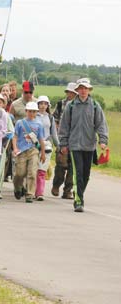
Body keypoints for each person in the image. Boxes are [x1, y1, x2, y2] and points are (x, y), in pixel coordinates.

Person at [59, 78, 109, 212]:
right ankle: (79, 201)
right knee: (78, 173)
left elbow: (101, 124)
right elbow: (64, 127)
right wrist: (63, 143)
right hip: (74, 145)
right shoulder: (70, 106)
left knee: (86, 175)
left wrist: (103, 141)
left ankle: (78, 191)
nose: (83, 90)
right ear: (77, 90)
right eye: (80, 88)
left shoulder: (95, 106)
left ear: (89, 90)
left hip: (89, 146)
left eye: (85, 88)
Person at [12, 102, 46, 203]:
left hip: (33, 151)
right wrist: (15, 148)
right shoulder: (20, 123)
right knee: (19, 173)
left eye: (34, 111)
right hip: (21, 151)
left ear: (36, 112)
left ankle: (30, 193)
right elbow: (15, 136)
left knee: (32, 172)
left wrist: (43, 153)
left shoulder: (39, 124)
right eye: (30, 111)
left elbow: (41, 139)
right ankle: (18, 187)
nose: (32, 113)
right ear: (26, 111)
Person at [51, 82, 78, 199]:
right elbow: (54, 120)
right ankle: (56, 184)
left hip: (76, 140)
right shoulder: (60, 104)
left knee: (73, 168)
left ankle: (67, 191)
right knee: (61, 165)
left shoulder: (79, 105)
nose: (70, 94)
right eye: (69, 92)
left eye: (73, 92)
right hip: (63, 139)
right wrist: (58, 134)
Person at [35, 96, 59, 201]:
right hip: (34, 145)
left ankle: (39, 193)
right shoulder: (34, 116)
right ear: (38, 105)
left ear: (48, 105)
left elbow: (53, 133)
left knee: (42, 170)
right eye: (41, 103)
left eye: (45, 104)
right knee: (32, 170)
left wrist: (58, 146)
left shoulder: (50, 117)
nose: (43, 106)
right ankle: (30, 190)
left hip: (47, 146)